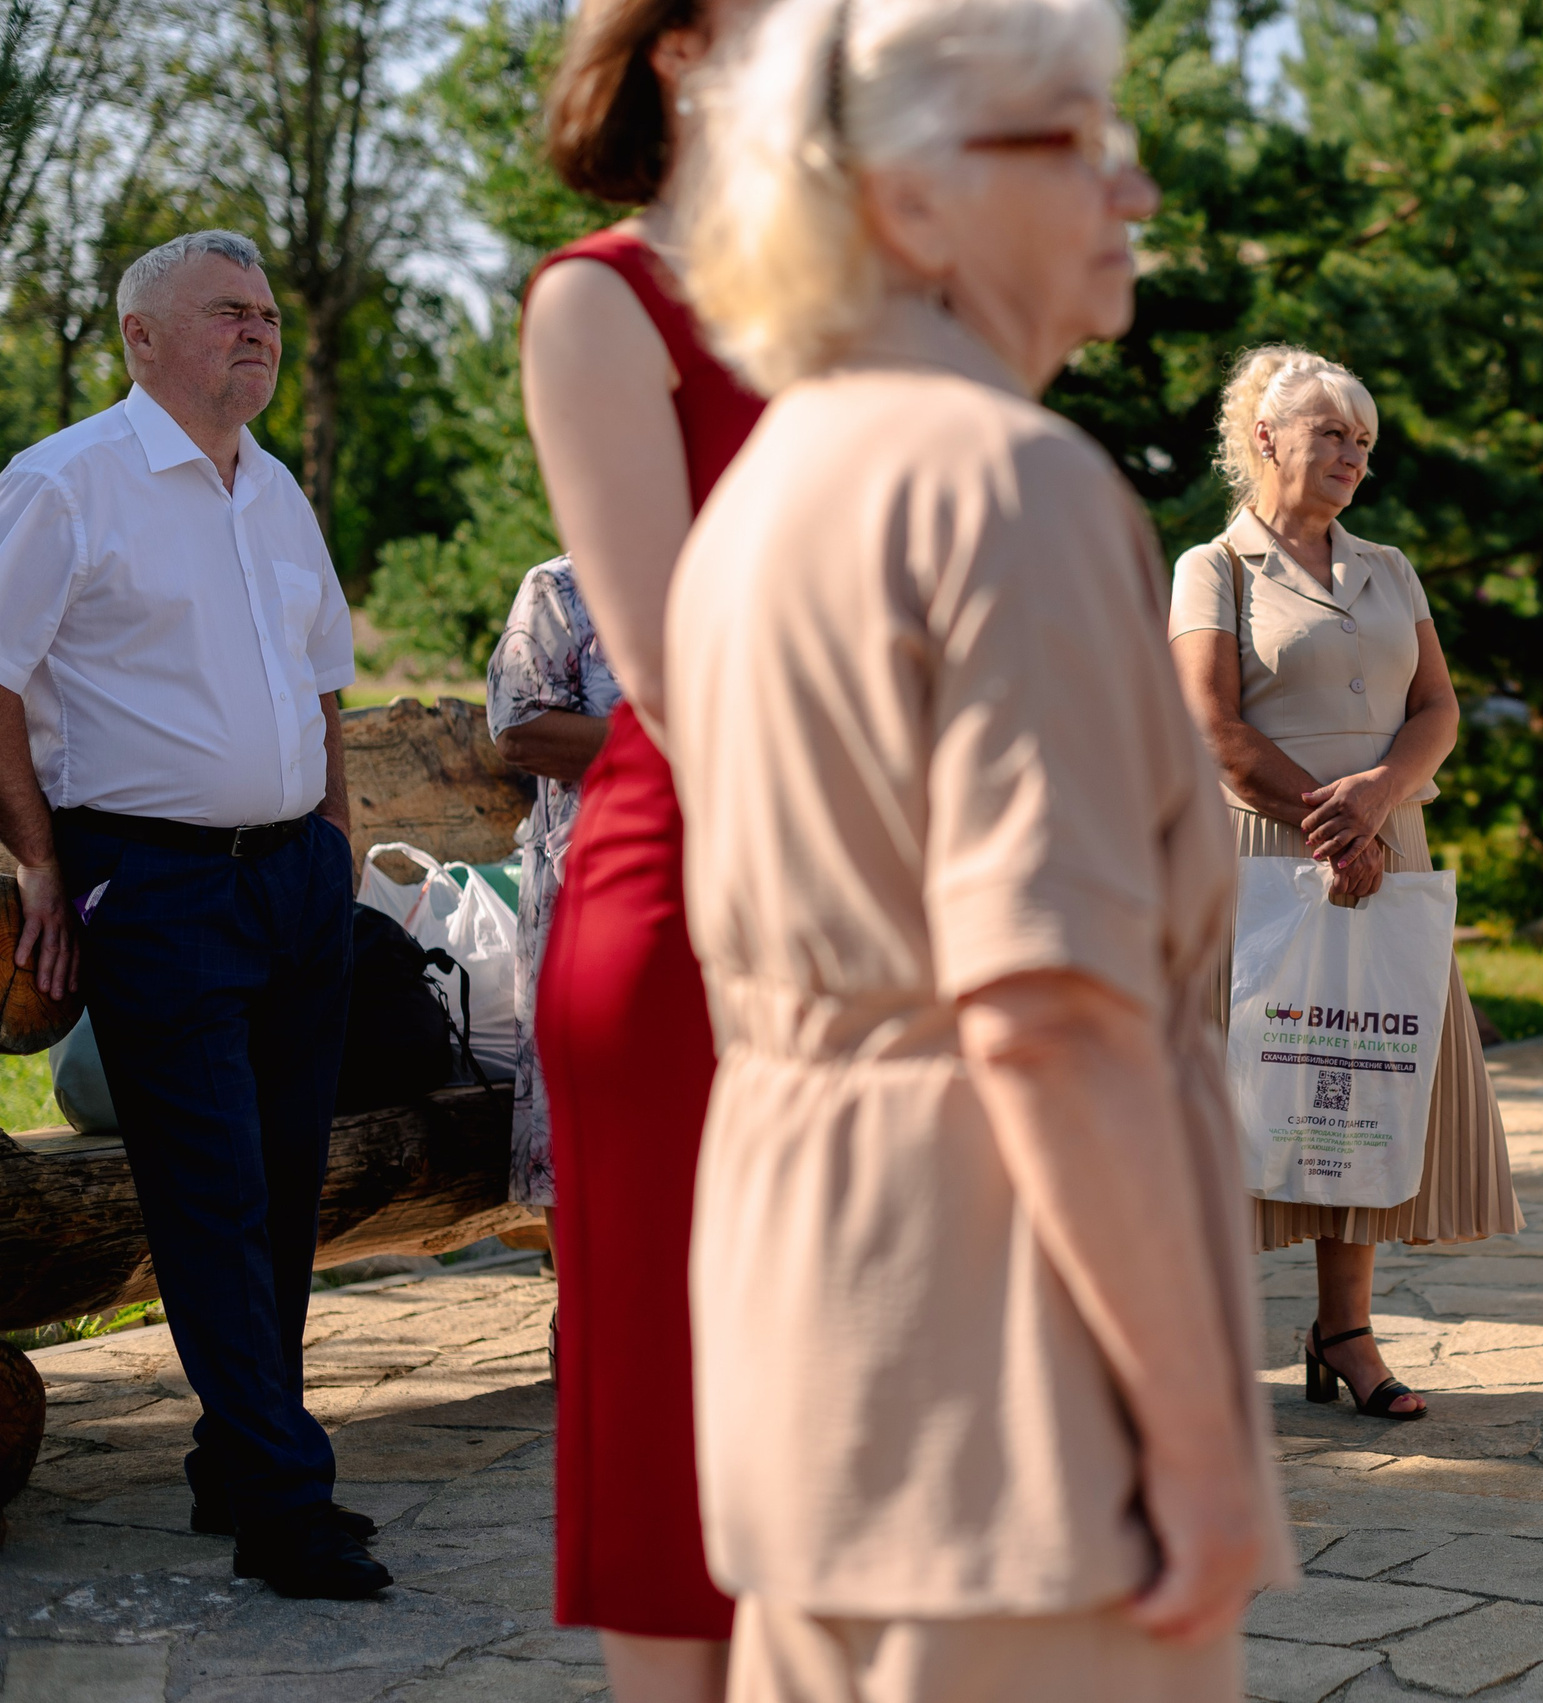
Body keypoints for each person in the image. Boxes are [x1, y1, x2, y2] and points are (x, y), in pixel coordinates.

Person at [662, 1, 1291, 1697]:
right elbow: (1047, 1008)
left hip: (818, 1349)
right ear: (909, 201)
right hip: (1007, 1373)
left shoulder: (775, 484)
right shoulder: (1007, 485)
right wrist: (1196, 1434)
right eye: (1072, 137)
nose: (1135, 185)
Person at [0, 229, 389, 1598]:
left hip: (291, 879)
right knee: (211, 1189)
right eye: (228, 313)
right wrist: (44, 864)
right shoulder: (62, 485)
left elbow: (323, 675)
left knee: (282, 1187)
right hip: (152, 881)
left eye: (271, 316)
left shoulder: (273, 488)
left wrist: (334, 827)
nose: (260, 332)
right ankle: (287, 1503)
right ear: (140, 337)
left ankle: (239, 1456)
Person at [520, 0, 765, 1692]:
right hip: (696, 902)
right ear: (677, 47)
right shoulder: (603, 296)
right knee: (687, 1401)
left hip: (886, 893)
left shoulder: (864, 301)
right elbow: (680, 674)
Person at [1170, 347, 1523, 1424]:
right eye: (1333, 434)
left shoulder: (1389, 566)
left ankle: (1345, 1333)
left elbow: (1438, 711)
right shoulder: (1212, 566)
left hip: (1384, 852)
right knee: (1240, 1084)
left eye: (1363, 442)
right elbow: (1214, 726)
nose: (1353, 457)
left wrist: (1375, 799)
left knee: (1359, 1076)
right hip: (1261, 857)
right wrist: (1329, 819)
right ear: (1266, 438)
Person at [484, 556, 620, 1219]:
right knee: (589, 1153)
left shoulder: (742, 563)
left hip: (732, 895)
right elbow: (518, 730)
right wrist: (671, 742)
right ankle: (585, 1322)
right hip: (595, 902)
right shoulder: (562, 588)